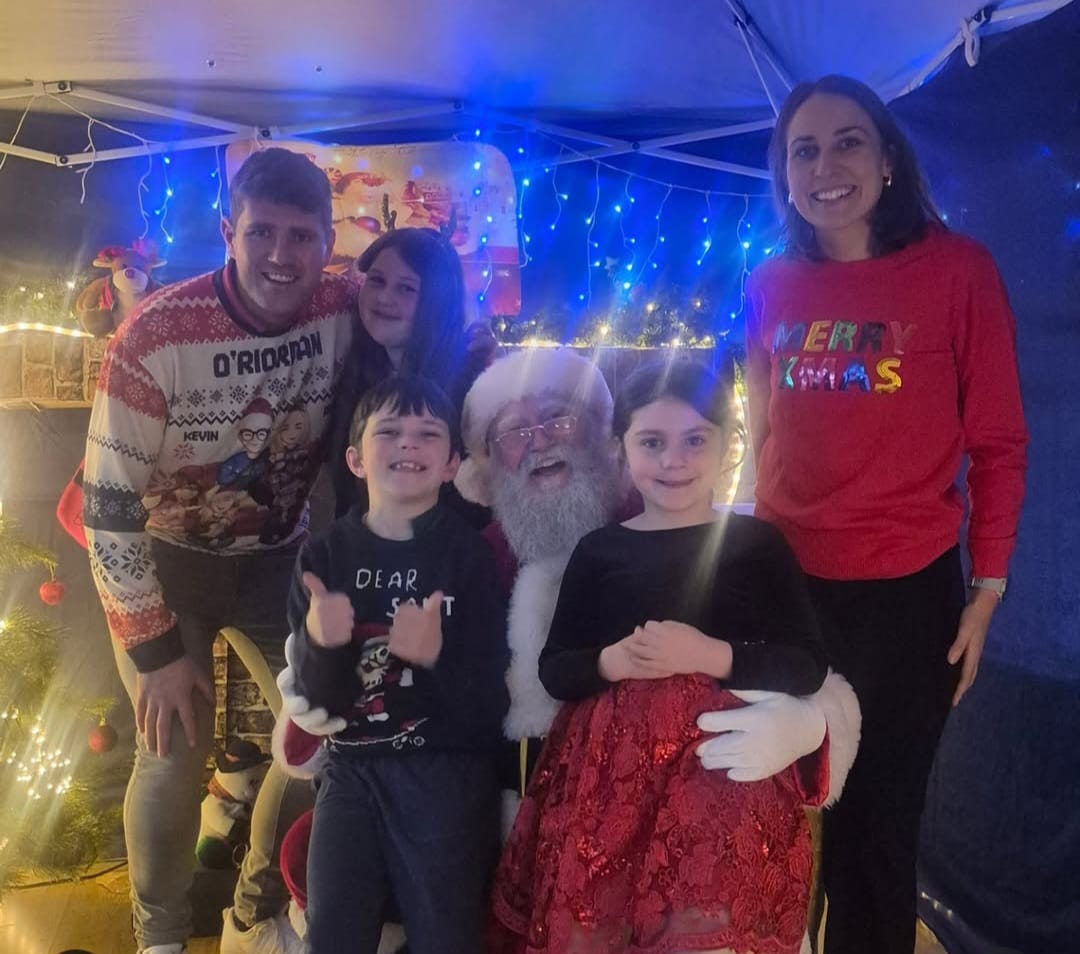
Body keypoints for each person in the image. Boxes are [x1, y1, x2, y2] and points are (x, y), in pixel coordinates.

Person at [277, 348, 862, 948]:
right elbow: (356, 689)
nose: (540, 442)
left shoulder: (690, 520)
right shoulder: (469, 557)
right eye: (514, 432)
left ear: (605, 438)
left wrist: (807, 727)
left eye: (558, 418)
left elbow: (807, 662)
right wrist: (313, 679)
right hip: (500, 814)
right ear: (481, 466)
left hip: (691, 806)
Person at [745, 74, 1028, 954]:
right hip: (787, 588)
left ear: (889, 159)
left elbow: (1000, 444)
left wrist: (985, 591)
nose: (826, 167)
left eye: (848, 142)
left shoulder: (958, 271)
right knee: (780, 816)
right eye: (804, 150)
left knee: (876, 831)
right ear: (785, 174)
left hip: (907, 598)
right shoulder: (770, 284)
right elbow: (765, 439)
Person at [82, 146, 357, 954]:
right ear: (227, 232)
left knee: (324, 739)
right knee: (170, 753)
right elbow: (107, 508)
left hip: (278, 561)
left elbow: (421, 316)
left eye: (301, 236)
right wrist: (155, 650)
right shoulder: (154, 335)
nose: (281, 254)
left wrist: (470, 338)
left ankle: (252, 910)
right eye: (261, 232)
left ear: (328, 241)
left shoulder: (342, 307)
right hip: (166, 563)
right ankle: (160, 938)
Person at [490, 359, 831, 954]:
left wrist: (712, 654)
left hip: (722, 788)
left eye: (695, 440)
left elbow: (805, 664)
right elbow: (556, 667)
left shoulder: (758, 545)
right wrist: (610, 662)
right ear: (621, 449)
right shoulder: (599, 551)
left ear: (728, 445)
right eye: (652, 442)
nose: (674, 460)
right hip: (607, 792)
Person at [287, 375, 509, 954]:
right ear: (356, 460)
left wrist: (435, 657)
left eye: (428, 433)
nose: (408, 442)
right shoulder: (322, 557)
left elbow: (492, 706)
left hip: (446, 777)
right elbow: (315, 706)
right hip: (349, 774)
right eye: (389, 431)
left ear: (451, 463)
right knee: (331, 936)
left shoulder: (470, 556)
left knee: (446, 937)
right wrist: (320, 645)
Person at [328, 226, 497, 519]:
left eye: (406, 288)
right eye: (377, 280)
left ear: (437, 301)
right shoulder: (353, 366)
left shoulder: (472, 386)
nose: (384, 297)